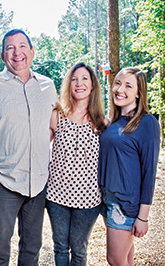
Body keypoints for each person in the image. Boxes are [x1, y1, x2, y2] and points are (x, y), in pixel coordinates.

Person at [0, 29, 57, 265]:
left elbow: (58, 121)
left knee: (32, 248)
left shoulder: (47, 86)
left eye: (22, 46)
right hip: (3, 182)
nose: (17, 53)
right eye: (10, 48)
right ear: (3, 56)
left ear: (32, 52)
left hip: (38, 182)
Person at [46, 62, 107, 266]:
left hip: (88, 199)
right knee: (60, 246)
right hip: (56, 196)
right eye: (74, 79)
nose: (79, 83)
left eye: (84, 79)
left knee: (79, 250)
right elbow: (36, 147)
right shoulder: (57, 115)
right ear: (68, 85)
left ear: (92, 86)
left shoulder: (102, 123)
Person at [98, 67, 160, 266]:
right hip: (107, 198)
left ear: (139, 93)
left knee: (115, 259)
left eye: (128, 85)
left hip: (125, 204)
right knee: (126, 258)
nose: (120, 89)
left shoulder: (147, 122)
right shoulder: (114, 122)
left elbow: (149, 172)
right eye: (117, 83)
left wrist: (143, 217)